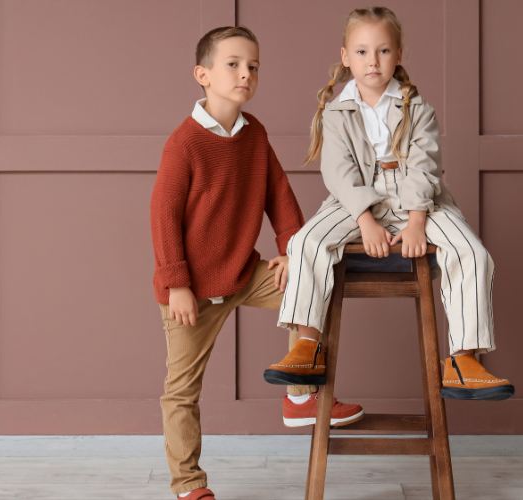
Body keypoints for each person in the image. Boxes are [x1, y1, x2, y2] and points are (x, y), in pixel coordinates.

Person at [150, 26, 362, 500]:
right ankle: (188, 486)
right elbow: (163, 215)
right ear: (203, 75)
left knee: (312, 279)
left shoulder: (254, 134)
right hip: (191, 289)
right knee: (181, 391)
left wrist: (292, 250)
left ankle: (299, 396)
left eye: (253, 66)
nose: (245, 73)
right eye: (233, 64)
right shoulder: (184, 143)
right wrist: (176, 282)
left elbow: (278, 194)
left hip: (243, 273)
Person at [263, 7, 515, 402]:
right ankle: (308, 347)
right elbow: (339, 172)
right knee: (305, 243)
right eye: (362, 52)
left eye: (383, 51)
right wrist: (365, 220)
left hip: (418, 198)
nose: (373, 61)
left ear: (398, 54)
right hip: (356, 197)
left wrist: (416, 222)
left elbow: (425, 166)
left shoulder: (418, 108)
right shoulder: (336, 112)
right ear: (346, 57)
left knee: (472, 252)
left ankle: (464, 359)